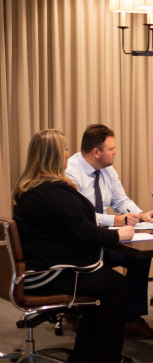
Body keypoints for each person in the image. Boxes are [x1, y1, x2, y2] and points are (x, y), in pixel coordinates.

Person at [12, 129, 134, 363]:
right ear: (55, 157)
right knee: (117, 286)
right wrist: (118, 235)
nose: (69, 155)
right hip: (48, 275)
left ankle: (86, 355)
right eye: (65, 150)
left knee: (103, 284)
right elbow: (84, 232)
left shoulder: (30, 188)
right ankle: (108, 358)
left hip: (33, 271)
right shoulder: (53, 192)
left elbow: (73, 229)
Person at [66, 124, 153, 338]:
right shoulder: (70, 172)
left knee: (140, 255)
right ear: (96, 152)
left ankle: (132, 317)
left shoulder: (107, 167)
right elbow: (79, 217)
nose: (115, 152)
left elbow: (120, 200)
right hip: (83, 241)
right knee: (104, 274)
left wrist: (140, 214)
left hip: (106, 236)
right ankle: (78, 313)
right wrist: (116, 220)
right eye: (112, 148)